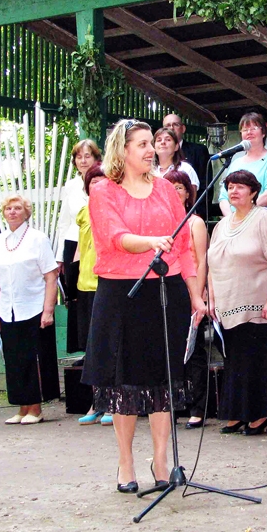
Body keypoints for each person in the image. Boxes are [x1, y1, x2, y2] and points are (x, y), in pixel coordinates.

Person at [81, 119, 206, 493]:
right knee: (125, 386)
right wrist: (152, 241)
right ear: (122, 150)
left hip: (166, 294)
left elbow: (184, 248)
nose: (150, 149)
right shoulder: (104, 191)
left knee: (161, 384)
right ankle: (125, 462)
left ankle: (162, 459)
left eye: (152, 143)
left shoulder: (167, 190)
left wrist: (196, 294)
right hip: (121, 296)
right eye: (141, 144)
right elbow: (115, 237)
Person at [208, 170, 267, 436]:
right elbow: (211, 263)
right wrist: (211, 296)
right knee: (235, 362)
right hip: (227, 303)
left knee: (259, 361)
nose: (234, 191)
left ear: (254, 192)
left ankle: (261, 413)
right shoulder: (221, 224)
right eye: (230, 187)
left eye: (240, 187)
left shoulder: (265, 219)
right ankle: (238, 412)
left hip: (257, 303)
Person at [0, 194, 60, 425]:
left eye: (17, 208)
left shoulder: (38, 239)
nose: (13, 212)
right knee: (14, 359)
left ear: (26, 212)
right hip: (8, 308)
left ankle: (35, 408)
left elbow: (51, 276)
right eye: (9, 208)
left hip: (33, 307)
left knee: (34, 358)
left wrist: (48, 310)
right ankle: (21, 407)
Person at [163, 169, 210, 430]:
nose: (174, 192)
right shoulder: (159, 225)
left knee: (194, 352)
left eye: (179, 187)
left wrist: (199, 294)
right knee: (169, 351)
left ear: (187, 192)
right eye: (169, 187)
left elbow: (202, 260)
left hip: (190, 290)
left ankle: (197, 407)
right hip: (165, 291)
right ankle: (173, 404)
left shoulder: (196, 223)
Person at [54, 139, 102, 357]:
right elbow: (64, 221)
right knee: (75, 298)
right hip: (73, 244)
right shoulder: (71, 186)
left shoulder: (105, 180)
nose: (83, 160)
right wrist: (59, 258)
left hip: (97, 245)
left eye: (87, 156)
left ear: (96, 158)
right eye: (79, 157)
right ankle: (82, 351)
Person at [74, 165, 113, 426]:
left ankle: (112, 402)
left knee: (110, 346)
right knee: (92, 349)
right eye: (92, 182)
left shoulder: (114, 211)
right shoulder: (82, 212)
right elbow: (80, 248)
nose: (96, 186)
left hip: (108, 283)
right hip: (85, 285)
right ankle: (95, 402)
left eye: (101, 181)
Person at [218, 111, 267, 218]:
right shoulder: (236, 163)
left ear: (263, 133)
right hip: (235, 222)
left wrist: (244, 215)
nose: (249, 132)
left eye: (254, 128)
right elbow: (223, 197)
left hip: (264, 220)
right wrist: (231, 218)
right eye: (245, 129)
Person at [163, 114, 213, 216]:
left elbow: (206, 185)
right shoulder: (156, 154)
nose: (171, 128)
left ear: (183, 128)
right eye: (167, 125)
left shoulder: (199, 150)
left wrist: (197, 214)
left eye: (175, 124)